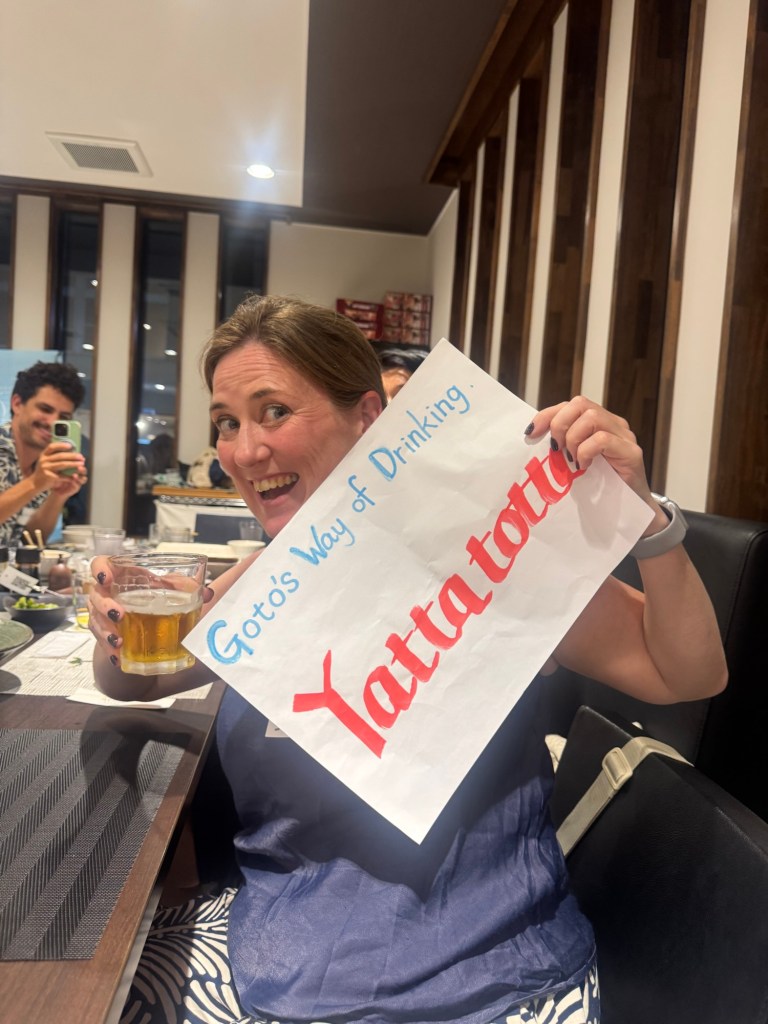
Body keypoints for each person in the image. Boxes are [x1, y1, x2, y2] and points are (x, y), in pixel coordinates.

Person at [88, 295, 727, 1024]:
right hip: (280, 958)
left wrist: (652, 523)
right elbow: (141, 676)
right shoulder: (270, 583)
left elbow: (689, 674)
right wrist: (114, 624)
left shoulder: (486, 553)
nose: (243, 450)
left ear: (367, 417)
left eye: (273, 412)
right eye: (227, 423)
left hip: (491, 975)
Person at [0, 360, 88, 547]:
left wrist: (58, 496)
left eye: (63, 417)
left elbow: (29, 540)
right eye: (45, 409)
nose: (52, 422)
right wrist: (34, 483)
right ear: (17, 404)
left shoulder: (45, 465)